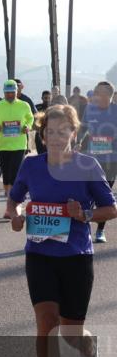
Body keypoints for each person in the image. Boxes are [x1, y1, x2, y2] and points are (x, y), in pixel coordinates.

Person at [7, 105, 115, 357]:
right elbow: (15, 199)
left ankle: (89, 349)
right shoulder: (31, 165)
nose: (55, 137)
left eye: (62, 131)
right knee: (46, 322)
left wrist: (84, 214)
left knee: (70, 332)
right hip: (39, 255)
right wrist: (15, 215)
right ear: (42, 135)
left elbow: (111, 208)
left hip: (76, 257)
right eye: (50, 132)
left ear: (74, 133)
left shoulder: (87, 166)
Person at [0, 80, 35, 218]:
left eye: (12, 92)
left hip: (19, 145)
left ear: (16, 92)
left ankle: (15, 206)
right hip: (3, 145)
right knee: (6, 176)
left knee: (15, 174)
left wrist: (27, 127)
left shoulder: (24, 105)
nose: (10, 95)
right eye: (7, 93)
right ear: (4, 92)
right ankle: (10, 204)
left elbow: (30, 119)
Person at [78, 81, 117, 242]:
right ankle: (83, 228)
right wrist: (78, 141)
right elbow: (83, 128)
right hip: (91, 160)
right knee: (87, 194)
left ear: (110, 96)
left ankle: (100, 230)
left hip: (111, 161)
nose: (98, 97)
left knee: (104, 196)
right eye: (97, 94)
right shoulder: (90, 109)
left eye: (101, 95)